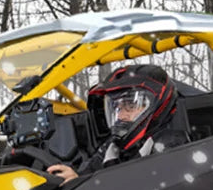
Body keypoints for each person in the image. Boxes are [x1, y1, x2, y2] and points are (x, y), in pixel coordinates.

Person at [46, 63, 188, 183]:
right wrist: (75, 179)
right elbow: (89, 174)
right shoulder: (113, 147)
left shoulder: (172, 146)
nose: (121, 115)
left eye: (131, 107)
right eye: (117, 108)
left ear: (158, 105)